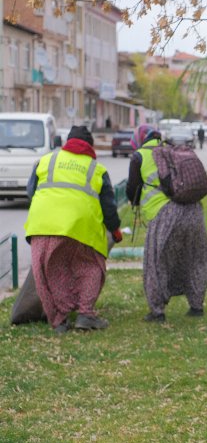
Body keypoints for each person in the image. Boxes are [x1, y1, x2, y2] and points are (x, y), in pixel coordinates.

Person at [24, 126, 122, 333]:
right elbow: (108, 207)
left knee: (48, 272)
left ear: (67, 142)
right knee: (90, 266)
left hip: (41, 224)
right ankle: (85, 314)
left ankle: (59, 321)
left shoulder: (45, 161)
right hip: (80, 227)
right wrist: (115, 229)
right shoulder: (97, 169)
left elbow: (31, 192)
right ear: (90, 146)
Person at [125, 124, 207, 323]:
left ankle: (157, 311)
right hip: (194, 210)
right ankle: (196, 306)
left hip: (164, 214)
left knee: (156, 263)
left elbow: (131, 189)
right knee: (195, 258)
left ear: (139, 138)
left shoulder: (140, 156)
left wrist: (137, 202)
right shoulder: (174, 150)